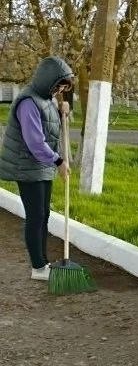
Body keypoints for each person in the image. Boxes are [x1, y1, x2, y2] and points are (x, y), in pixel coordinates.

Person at [0, 56, 75, 280]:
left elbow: (50, 128)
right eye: (59, 84)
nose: (61, 89)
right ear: (48, 80)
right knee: (35, 216)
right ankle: (38, 267)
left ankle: (43, 264)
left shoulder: (45, 100)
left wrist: (63, 111)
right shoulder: (28, 102)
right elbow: (35, 142)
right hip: (27, 166)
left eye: (64, 87)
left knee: (44, 215)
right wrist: (59, 161)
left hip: (40, 166)